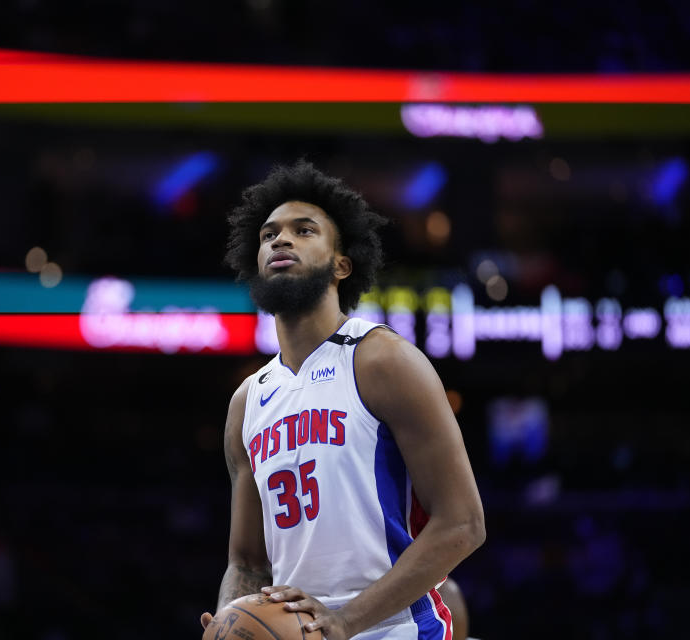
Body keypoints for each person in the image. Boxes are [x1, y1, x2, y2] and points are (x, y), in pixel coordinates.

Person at [200, 161, 485, 640]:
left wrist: (345, 621)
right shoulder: (247, 401)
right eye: (269, 235)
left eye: (303, 230)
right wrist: (230, 618)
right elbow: (247, 563)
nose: (280, 241)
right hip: (303, 633)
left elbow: (463, 524)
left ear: (341, 264)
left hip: (394, 631)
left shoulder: (384, 361)